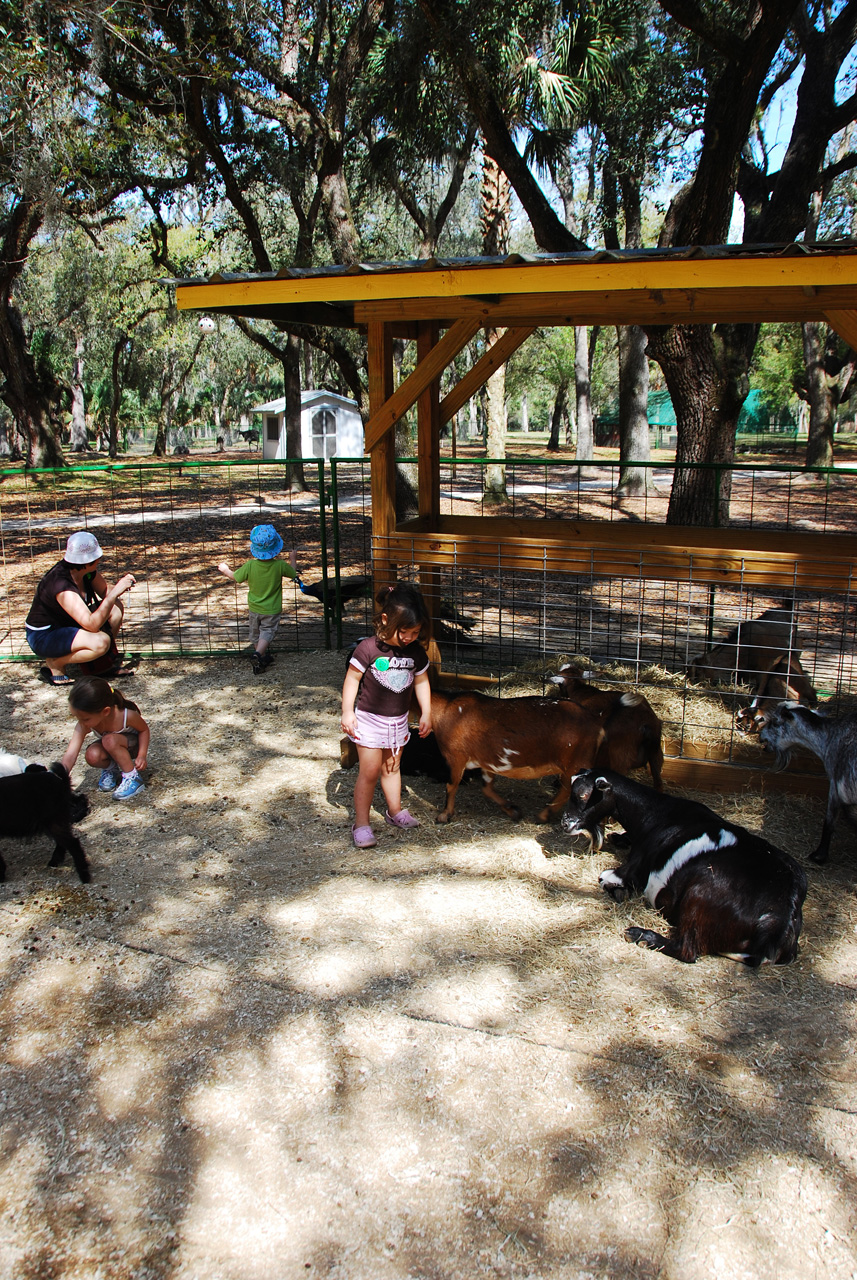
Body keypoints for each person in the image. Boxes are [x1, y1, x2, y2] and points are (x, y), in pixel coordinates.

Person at [340, 581, 433, 849]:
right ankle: (362, 824)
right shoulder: (368, 648)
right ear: (385, 620)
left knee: (392, 768)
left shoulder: (415, 652)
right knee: (368, 772)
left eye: (416, 632)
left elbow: (421, 682)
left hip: (398, 722)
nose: (410, 638)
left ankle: (395, 812)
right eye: (404, 632)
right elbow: (352, 680)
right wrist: (347, 712)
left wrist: (426, 711)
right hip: (369, 721)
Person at [24, 532, 137, 686]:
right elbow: (91, 624)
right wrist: (114, 594)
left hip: (66, 625)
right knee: (101, 642)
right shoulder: (61, 585)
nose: (99, 559)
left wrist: (121, 586)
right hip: (45, 635)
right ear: (90, 560)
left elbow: (105, 591)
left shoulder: (85, 571)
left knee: (115, 608)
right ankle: (56, 663)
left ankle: (98, 666)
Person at [217, 524, 298, 674]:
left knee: (255, 634)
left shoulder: (250, 566)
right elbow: (293, 573)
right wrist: (292, 559)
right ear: (275, 547)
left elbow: (236, 577)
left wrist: (225, 570)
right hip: (272, 608)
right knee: (267, 631)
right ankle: (259, 655)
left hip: (255, 607)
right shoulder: (279, 565)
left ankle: (260, 657)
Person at [61, 676, 150, 800]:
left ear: (105, 711)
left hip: (131, 746)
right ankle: (111, 769)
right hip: (111, 745)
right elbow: (71, 754)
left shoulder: (125, 715)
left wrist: (142, 755)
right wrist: (59, 779)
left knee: (109, 740)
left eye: (86, 719)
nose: (81, 722)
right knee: (92, 755)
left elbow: (144, 730)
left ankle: (133, 778)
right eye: (77, 717)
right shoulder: (84, 724)